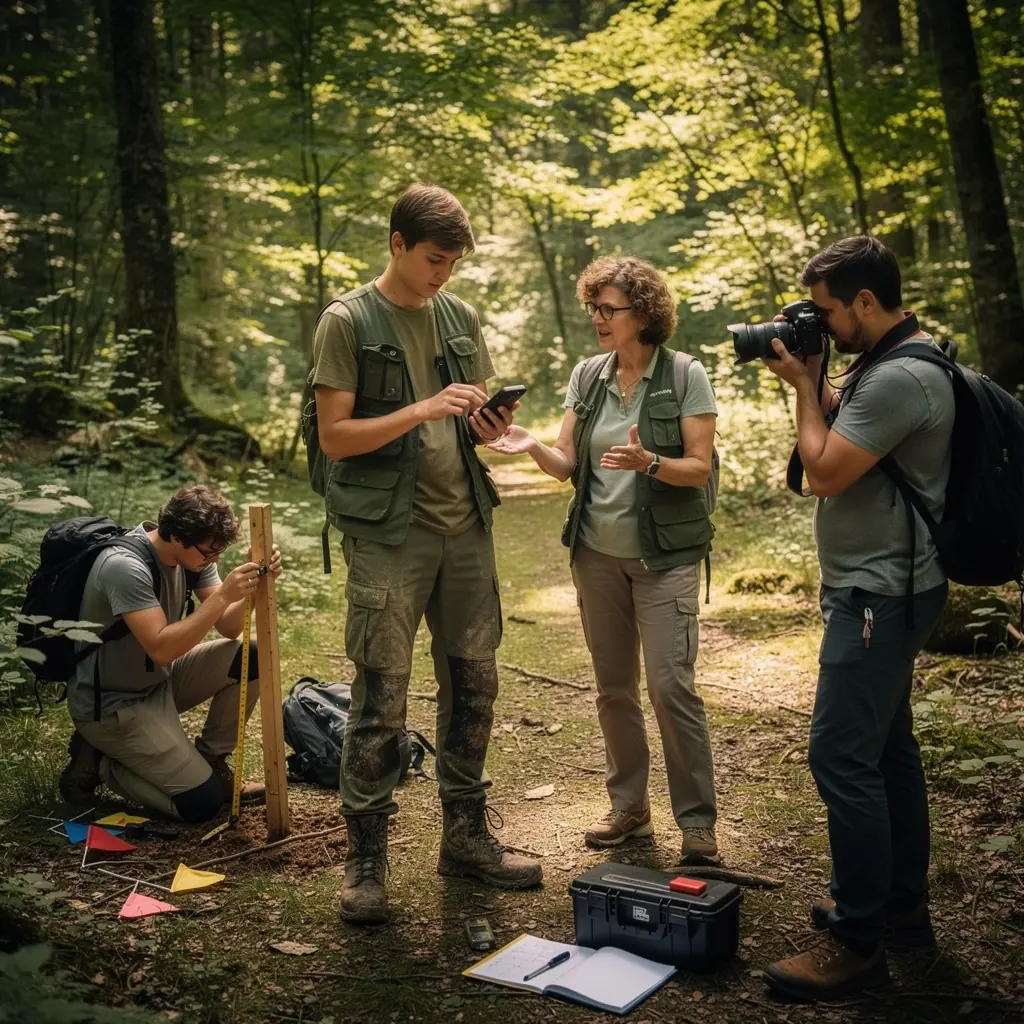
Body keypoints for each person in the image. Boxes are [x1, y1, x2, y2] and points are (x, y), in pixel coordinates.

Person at [311, 183, 543, 926]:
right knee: (381, 692)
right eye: (434, 259)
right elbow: (335, 437)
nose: (444, 274)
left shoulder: (459, 315)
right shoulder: (347, 320)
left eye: (453, 263)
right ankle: (366, 862)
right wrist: (421, 408)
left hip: (464, 522)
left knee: (475, 684)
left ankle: (465, 839)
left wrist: (489, 424)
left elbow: (469, 421)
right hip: (389, 531)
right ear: (398, 244)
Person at [760, 237, 953, 1001]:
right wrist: (815, 378)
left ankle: (858, 939)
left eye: (828, 311)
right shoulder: (887, 360)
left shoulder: (900, 376)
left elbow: (823, 471)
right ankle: (901, 907)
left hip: (879, 596)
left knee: (840, 757)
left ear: (866, 302)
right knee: (887, 751)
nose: (822, 323)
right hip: (884, 587)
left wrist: (803, 388)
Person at [488, 255, 721, 865]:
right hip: (596, 556)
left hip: (664, 558)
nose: (597, 318)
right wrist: (531, 444)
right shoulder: (588, 375)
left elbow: (698, 469)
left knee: (671, 688)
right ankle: (629, 809)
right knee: (614, 689)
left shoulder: (686, 375)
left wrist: (652, 463)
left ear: (642, 312)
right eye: (593, 307)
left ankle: (697, 824)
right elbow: (567, 463)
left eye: (608, 309)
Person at [58, 484, 283, 822]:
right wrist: (225, 595)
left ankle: (211, 761)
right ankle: (100, 762)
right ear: (177, 537)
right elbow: (162, 649)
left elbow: (228, 626)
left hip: (157, 683)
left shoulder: (193, 557)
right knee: (202, 804)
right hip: (113, 705)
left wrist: (254, 584)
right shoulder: (124, 566)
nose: (215, 559)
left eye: (219, 551)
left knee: (249, 656)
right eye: (209, 552)